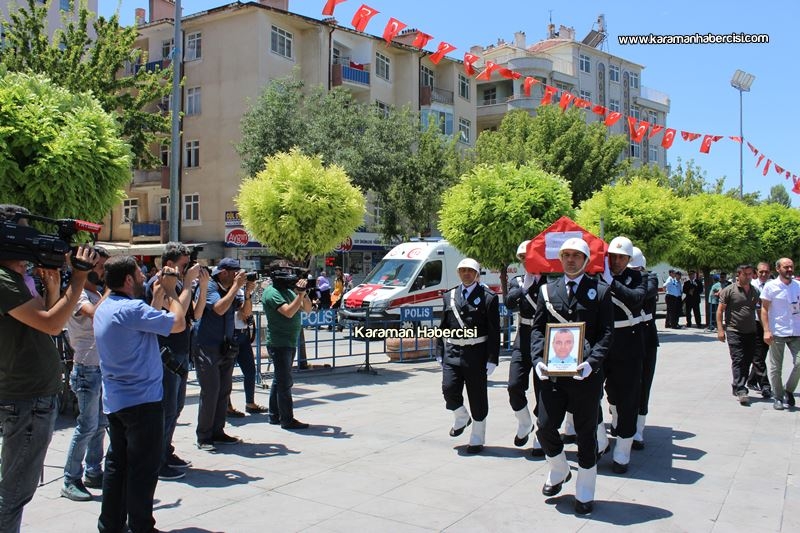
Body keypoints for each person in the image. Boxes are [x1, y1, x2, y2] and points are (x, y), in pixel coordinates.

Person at [0, 204, 98, 531]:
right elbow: (53, 323)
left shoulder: (18, 277)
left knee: (16, 490)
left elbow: (42, 317)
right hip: (25, 398)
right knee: (14, 492)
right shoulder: (3, 279)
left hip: (33, 396)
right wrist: (80, 278)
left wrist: (55, 286)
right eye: (26, 233)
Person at [94, 255, 196, 533]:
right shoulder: (130, 309)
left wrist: (158, 296)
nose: (144, 277)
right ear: (128, 280)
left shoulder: (107, 307)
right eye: (139, 274)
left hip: (116, 401)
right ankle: (142, 526)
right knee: (142, 470)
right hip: (142, 402)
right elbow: (178, 323)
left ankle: (111, 525)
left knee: (118, 466)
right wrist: (176, 288)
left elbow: (142, 326)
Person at [531, 237, 614, 515]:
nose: (570, 260)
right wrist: (537, 360)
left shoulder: (600, 292)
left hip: (585, 378)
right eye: (566, 255)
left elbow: (606, 333)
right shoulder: (547, 290)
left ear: (586, 260)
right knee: (544, 427)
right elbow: (538, 329)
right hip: (553, 376)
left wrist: (592, 364)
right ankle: (559, 469)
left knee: (586, 436)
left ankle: (585, 491)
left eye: (576, 256)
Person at [145, 242, 209, 480]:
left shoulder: (180, 284)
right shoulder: (159, 284)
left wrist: (200, 286)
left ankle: (166, 451)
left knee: (177, 407)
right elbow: (176, 317)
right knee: (167, 409)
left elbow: (197, 313)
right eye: (184, 265)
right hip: (166, 354)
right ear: (170, 264)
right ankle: (157, 460)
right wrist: (187, 286)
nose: (188, 269)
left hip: (181, 352)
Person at [61, 246, 111, 502]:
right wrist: (112, 289)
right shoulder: (77, 294)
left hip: (100, 367)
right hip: (86, 368)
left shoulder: (97, 292)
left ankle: (94, 470)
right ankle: (70, 478)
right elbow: (96, 316)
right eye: (101, 266)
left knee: (101, 424)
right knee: (86, 425)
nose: (103, 271)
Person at [436, 258, 500, 454]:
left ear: (477, 274)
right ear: (458, 273)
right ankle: (461, 416)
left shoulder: (488, 297)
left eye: (470, 271)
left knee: (477, 397)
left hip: (476, 354)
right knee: (449, 389)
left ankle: (477, 437)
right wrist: (440, 350)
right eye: (462, 270)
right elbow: (443, 326)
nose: (466, 274)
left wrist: (492, 358)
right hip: (453, 353)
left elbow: (494, 331)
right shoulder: (450, 296)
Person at [193, 257, 253, 450]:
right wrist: (236, 287)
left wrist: (248, 293)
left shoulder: (230, 289)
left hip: (226, 346)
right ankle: (204, 436)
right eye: (235, 273)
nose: (238, 276)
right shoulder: (209, 287)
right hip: (207, 346)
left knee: (223, 390)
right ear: (224, 272)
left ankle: (218, 431)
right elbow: (218, 309)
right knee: (210, 391)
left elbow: (244, 313)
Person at [600, 236, 646, 474]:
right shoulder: (596, 276)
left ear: (629, 259)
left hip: (628, 342)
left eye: (621, 257)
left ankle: (623, 452)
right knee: (590, 392)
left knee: (627, 398)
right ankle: (599, 436)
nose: (616, 261)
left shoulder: (638, 277)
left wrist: (611, 283)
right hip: (601, 342)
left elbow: (636, 299)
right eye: (612, 256)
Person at [505, 240, 545, 456]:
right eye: (522, 258)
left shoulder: (550, 280)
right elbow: (510, 303)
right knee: (514, 384)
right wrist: (525, 287)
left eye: (528, 257)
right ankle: (524, 422)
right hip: (524, 336)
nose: (525, 261)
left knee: (543, 390)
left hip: (544, 339)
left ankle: (541, 433)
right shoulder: (518, 281)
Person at [262, 269, 313, 429]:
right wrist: (299, 295)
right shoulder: (272, 293)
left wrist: (303, 294)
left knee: (279, 381)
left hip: (289, 342)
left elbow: (308, 309)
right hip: (279, 343)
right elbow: (289, 312)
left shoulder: (289, 291)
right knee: (285, 384)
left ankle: (274, 415)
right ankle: (287, 419)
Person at [629, 247, 659, 450]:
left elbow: (642, 296)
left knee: (644, 382)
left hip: (645, 336)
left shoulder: (650, 279)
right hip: (625, 336)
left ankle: (639, 428)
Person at [716, 264, 759, 406]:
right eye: (745, 274)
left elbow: (758, 311)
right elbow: (720, 311)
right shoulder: (729, 290)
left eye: (750, 274)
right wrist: (720, 329)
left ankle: (737, 384)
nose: (748, 277)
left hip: (751, 331)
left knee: (747, 360)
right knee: (738, 359)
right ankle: (741, 389)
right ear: (738, 274)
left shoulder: (755, 291)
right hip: (734, 330)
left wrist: (765, 329)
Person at [760, 257, 800, 411]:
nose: (789, 270)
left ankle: (788, 390)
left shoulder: (798, 286)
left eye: (791, 267)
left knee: (799, 363)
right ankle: (777, 396)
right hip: (777, 332)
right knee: (776, 367)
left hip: (796, 330)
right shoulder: (771, 286)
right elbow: (764, 309)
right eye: (786, 267)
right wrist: (766, 330)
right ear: (778, 269)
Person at [229, 285, 268, 416]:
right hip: (230, 335)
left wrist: (247, 295)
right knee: (226, 374)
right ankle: (227, 406)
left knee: (250, 371)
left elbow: (247, 312)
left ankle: (250, 403)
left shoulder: (242, 292)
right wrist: (238, 311)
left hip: (243, 334)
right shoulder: (224, 290)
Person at [748, 262, 773, 398]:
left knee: (761, 354)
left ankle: (751, 379)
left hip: (768, 324)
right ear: (756, 272)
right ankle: (765, 385)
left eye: (766, 272)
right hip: (754, 324)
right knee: (758, 356)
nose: (764, 274)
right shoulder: (751, 285)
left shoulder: (773, 285)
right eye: (761, 272)